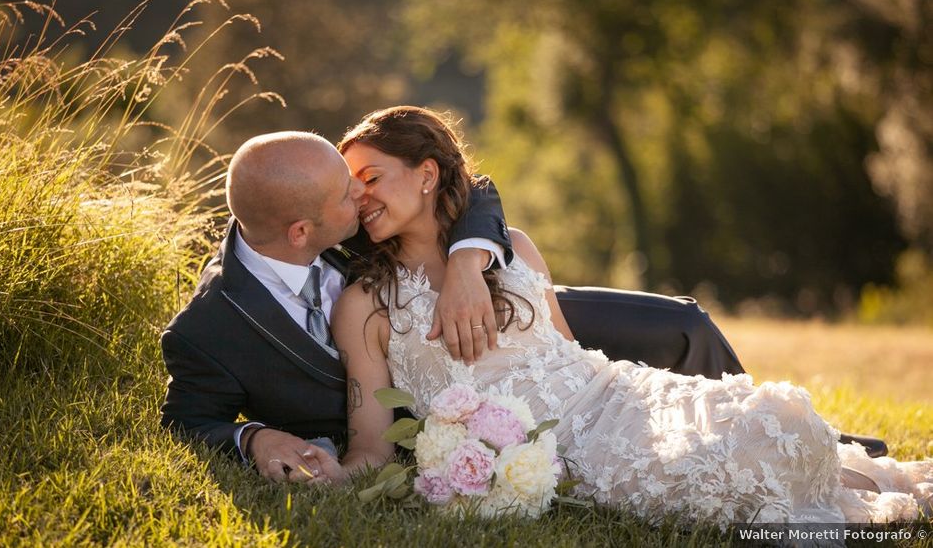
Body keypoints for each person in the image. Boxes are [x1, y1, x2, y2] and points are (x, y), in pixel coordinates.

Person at [308, 106, 931, 525]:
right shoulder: (365, 306)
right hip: (566, 457)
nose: (359, 196)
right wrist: (323, 472)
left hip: (618, 399)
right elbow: (371, 445)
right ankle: (875, 516)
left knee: (762, 422)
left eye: (372, 176)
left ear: (425, 175)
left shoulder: (513, 247)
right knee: (731, 473)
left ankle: (882, 501)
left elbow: (570, 355)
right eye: (350, 184)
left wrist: (640, 401)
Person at [160, 130, 750, 482]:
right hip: (437, 362)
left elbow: (474, 186)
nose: (359, 195)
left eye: (360, 181)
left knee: (682, 326)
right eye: (348, 194)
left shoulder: (320, 187)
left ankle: (747, 423)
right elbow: (185, 421)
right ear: (299, 232)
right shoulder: (209, 329)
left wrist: (469, 262)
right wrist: (255, 439)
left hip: (508, 308)